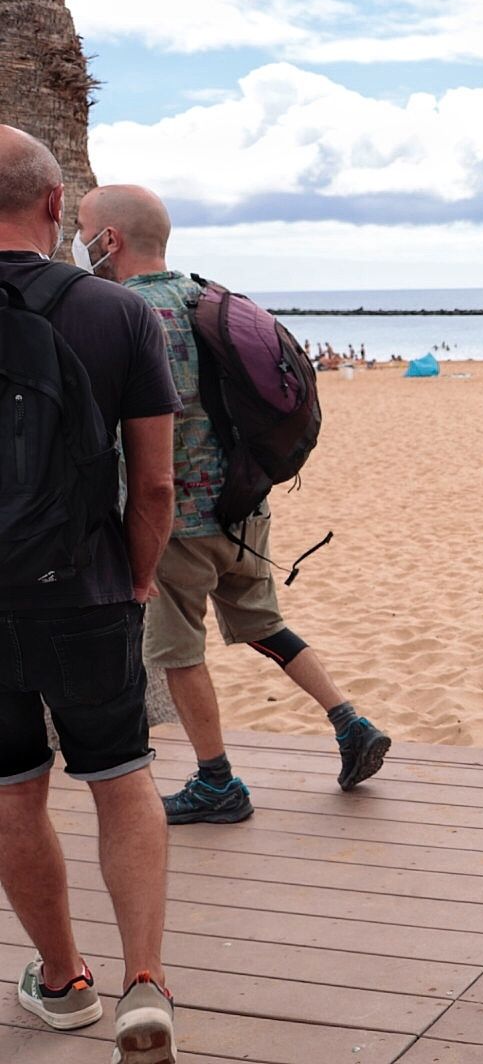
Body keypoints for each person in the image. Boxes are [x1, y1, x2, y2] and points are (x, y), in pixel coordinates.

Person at [80, 184, 393, 824]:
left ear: (108, 240)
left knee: (175, 653)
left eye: (81, 230)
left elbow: (128, 438)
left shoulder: (121, 315)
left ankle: (217, 781)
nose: (76, 244)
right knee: (261, 624)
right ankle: (349, 722)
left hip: (171, 522)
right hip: (243, 506)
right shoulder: (206, 297)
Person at [0, 127, 181, 1061]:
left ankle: (63, 982)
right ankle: (143, 983)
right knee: (120, 778)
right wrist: (139, 569)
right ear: (55, 206)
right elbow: (154, 484)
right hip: (88, 586)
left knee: (13, 792)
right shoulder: (117, 315)